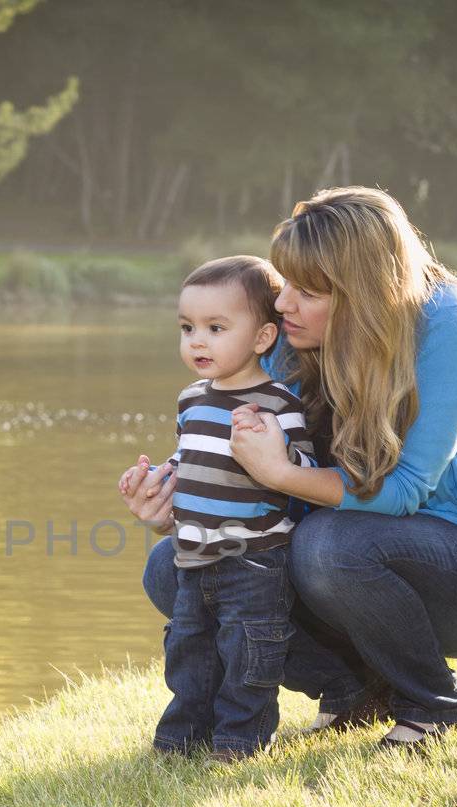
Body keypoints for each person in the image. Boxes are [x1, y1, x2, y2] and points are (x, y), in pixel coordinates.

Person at [121, 187, 457, 750]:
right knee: (172, 567)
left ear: (363, 293)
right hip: (354, 547)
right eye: (284, 286)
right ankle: (352, 689)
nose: (282, 305)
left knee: (329, 546)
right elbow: (258, 477)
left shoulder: (447, 323)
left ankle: (435, 705)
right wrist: (174, 506)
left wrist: (281, 475)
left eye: (307, 291)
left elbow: (401, 492)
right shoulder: (291, 338)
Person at [144, 256, 318, 760]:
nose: (197, 341)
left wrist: (276, 448)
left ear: (263, 338)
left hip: (255, 557)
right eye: (187, 328)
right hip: (193, 552)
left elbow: (303, 467)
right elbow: (188, 457)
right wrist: (158, 478)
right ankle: (181, 736)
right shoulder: (191, 400)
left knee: (248, 650)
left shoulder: (278, 404)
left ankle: (241, 740)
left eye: (216, 328)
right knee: (188, 648)